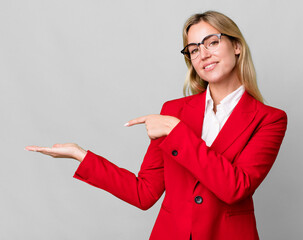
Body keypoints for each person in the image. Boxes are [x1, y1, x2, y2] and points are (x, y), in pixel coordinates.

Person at [26, 10, 287, 240]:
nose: (203, 54)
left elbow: (235, 188)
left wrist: (177, 132)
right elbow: (144, 193)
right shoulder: (173, 110)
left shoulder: (269, 119)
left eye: (212, 42)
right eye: (194, 49)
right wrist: (80, 155)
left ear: (237, 46)